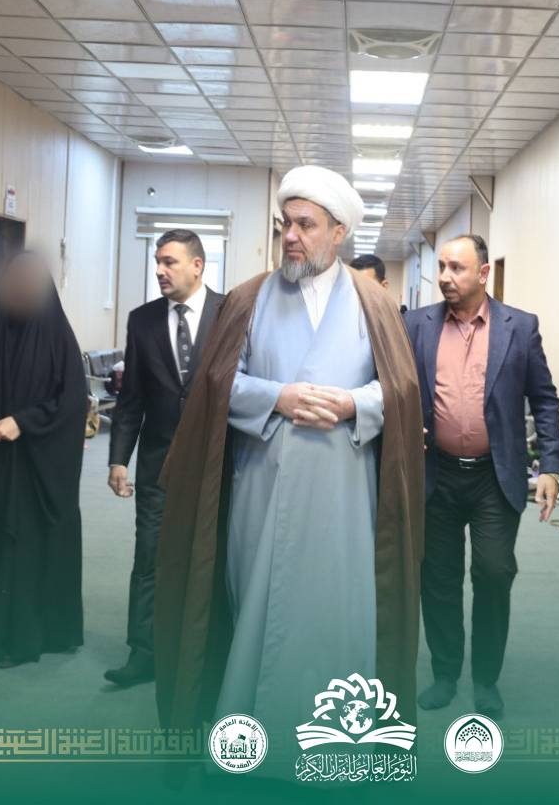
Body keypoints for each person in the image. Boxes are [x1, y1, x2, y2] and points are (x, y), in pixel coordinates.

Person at [153, 166, 425, 747]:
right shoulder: (249, 299)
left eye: (306, 225)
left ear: (339, 232)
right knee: (259, 609)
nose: (291, 237)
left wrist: (353, 404)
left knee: (336, 616)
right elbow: (217, 386)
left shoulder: (375, 304)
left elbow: (400, 393)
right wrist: (279, 396)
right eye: (285, 224)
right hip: (263, 488)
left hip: (344, 495)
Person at [404, 234, 559, 718]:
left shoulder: (520, 327)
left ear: (484, 273)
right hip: (437, 474)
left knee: (493, 573)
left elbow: (545, 399)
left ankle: (486, 679)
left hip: (495, 476)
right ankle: (446, 672)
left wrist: (551, 466)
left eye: (457, 268)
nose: (446, 278)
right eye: (442, 268)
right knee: (439, 579)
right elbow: (397, 391)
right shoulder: (417, 325)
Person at [0, 251, 89, 669]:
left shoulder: (58, 339)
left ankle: (30, 636)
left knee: (28, 546)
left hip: (37, 468)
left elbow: (71, 405)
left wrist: (22, 423)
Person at [104, 229, 224, 687]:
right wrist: (119, 459)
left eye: (169, 262)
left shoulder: (229, 312)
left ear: (197, 265)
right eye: (157, 262)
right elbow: (132, 397)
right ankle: (144, 652)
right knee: (150, 556)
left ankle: (209, 654)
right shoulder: (143, 321)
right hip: (158, 462)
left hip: (216, 463)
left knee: (213, 558)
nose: (159, 270)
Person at [351, 253, 404, 318]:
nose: (359, 293)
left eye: (367, 287)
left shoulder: (396, 321)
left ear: (383, 286)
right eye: (354, 286)